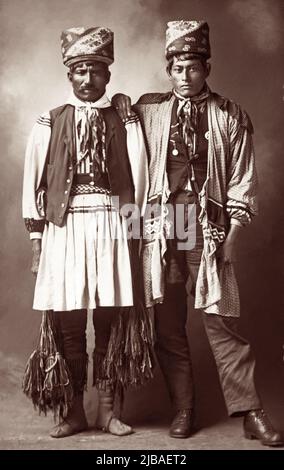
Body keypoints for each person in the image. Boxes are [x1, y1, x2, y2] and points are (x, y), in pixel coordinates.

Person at [113, 20, 283, 446]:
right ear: (167, 70)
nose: (184, 76)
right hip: (158, 229)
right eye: (176, 68)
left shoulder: (230, 115)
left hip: (209, 230)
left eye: (192, 67)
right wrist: (118, 102)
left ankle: (250, 412)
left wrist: (233, 236)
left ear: (206, 68)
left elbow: (243, 180)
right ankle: (184, 408)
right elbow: (118, 123)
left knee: (222, 322)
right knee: (167, 323)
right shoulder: (149, 109)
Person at [22, 26, 151, 438]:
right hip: (64, 226)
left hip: (112, 222)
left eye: (95, 70)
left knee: (111, 318)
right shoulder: (50, 121)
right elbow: (34, 185)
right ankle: (75, 410)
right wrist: (38, 242)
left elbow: (140, 175)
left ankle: (108, 411)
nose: (87, 78)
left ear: (107, 75)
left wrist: (135, 228)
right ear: (69, 75)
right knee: (70, 321)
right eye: (79, 70)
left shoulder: (125, 119)